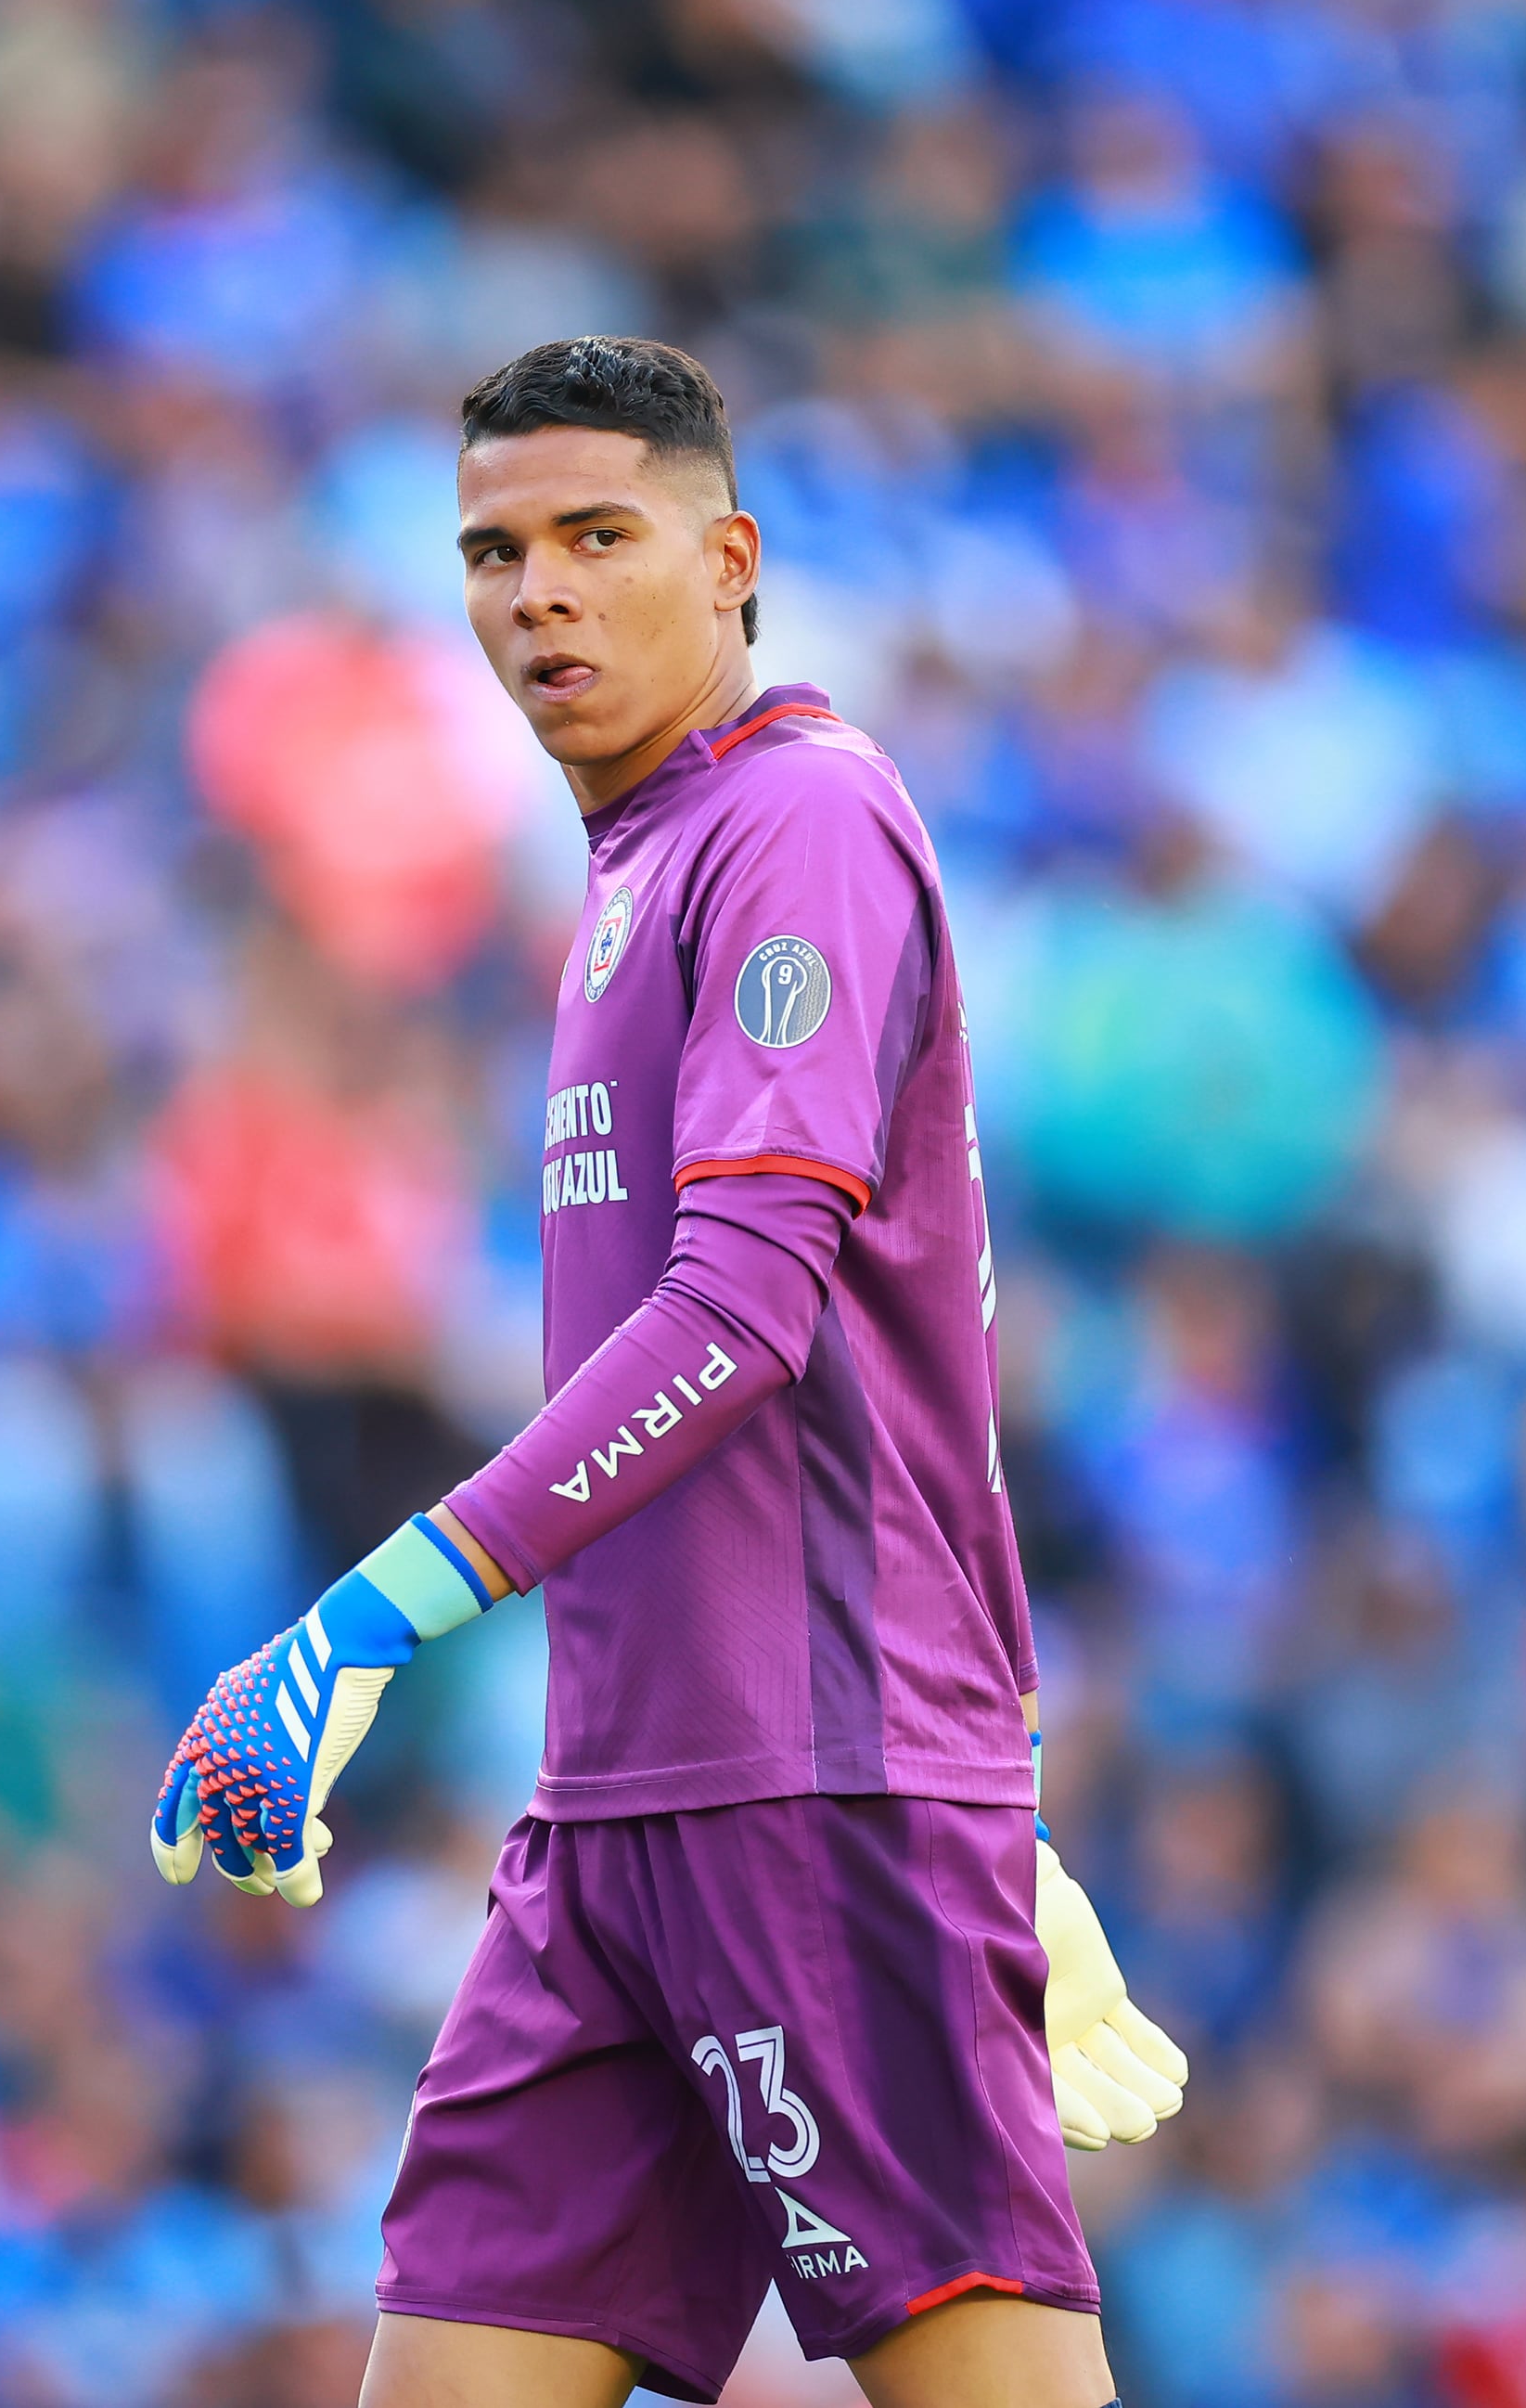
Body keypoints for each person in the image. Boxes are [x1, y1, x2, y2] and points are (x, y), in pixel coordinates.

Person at [148, 336, 1191, 2408]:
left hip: (808, 1785)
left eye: (592, 537)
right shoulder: (633, 867)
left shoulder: (798, 816)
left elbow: (745, 1312)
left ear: (726, 561)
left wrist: (362, 1621)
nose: (533, 590)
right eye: (492, 549)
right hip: (612, 1811)